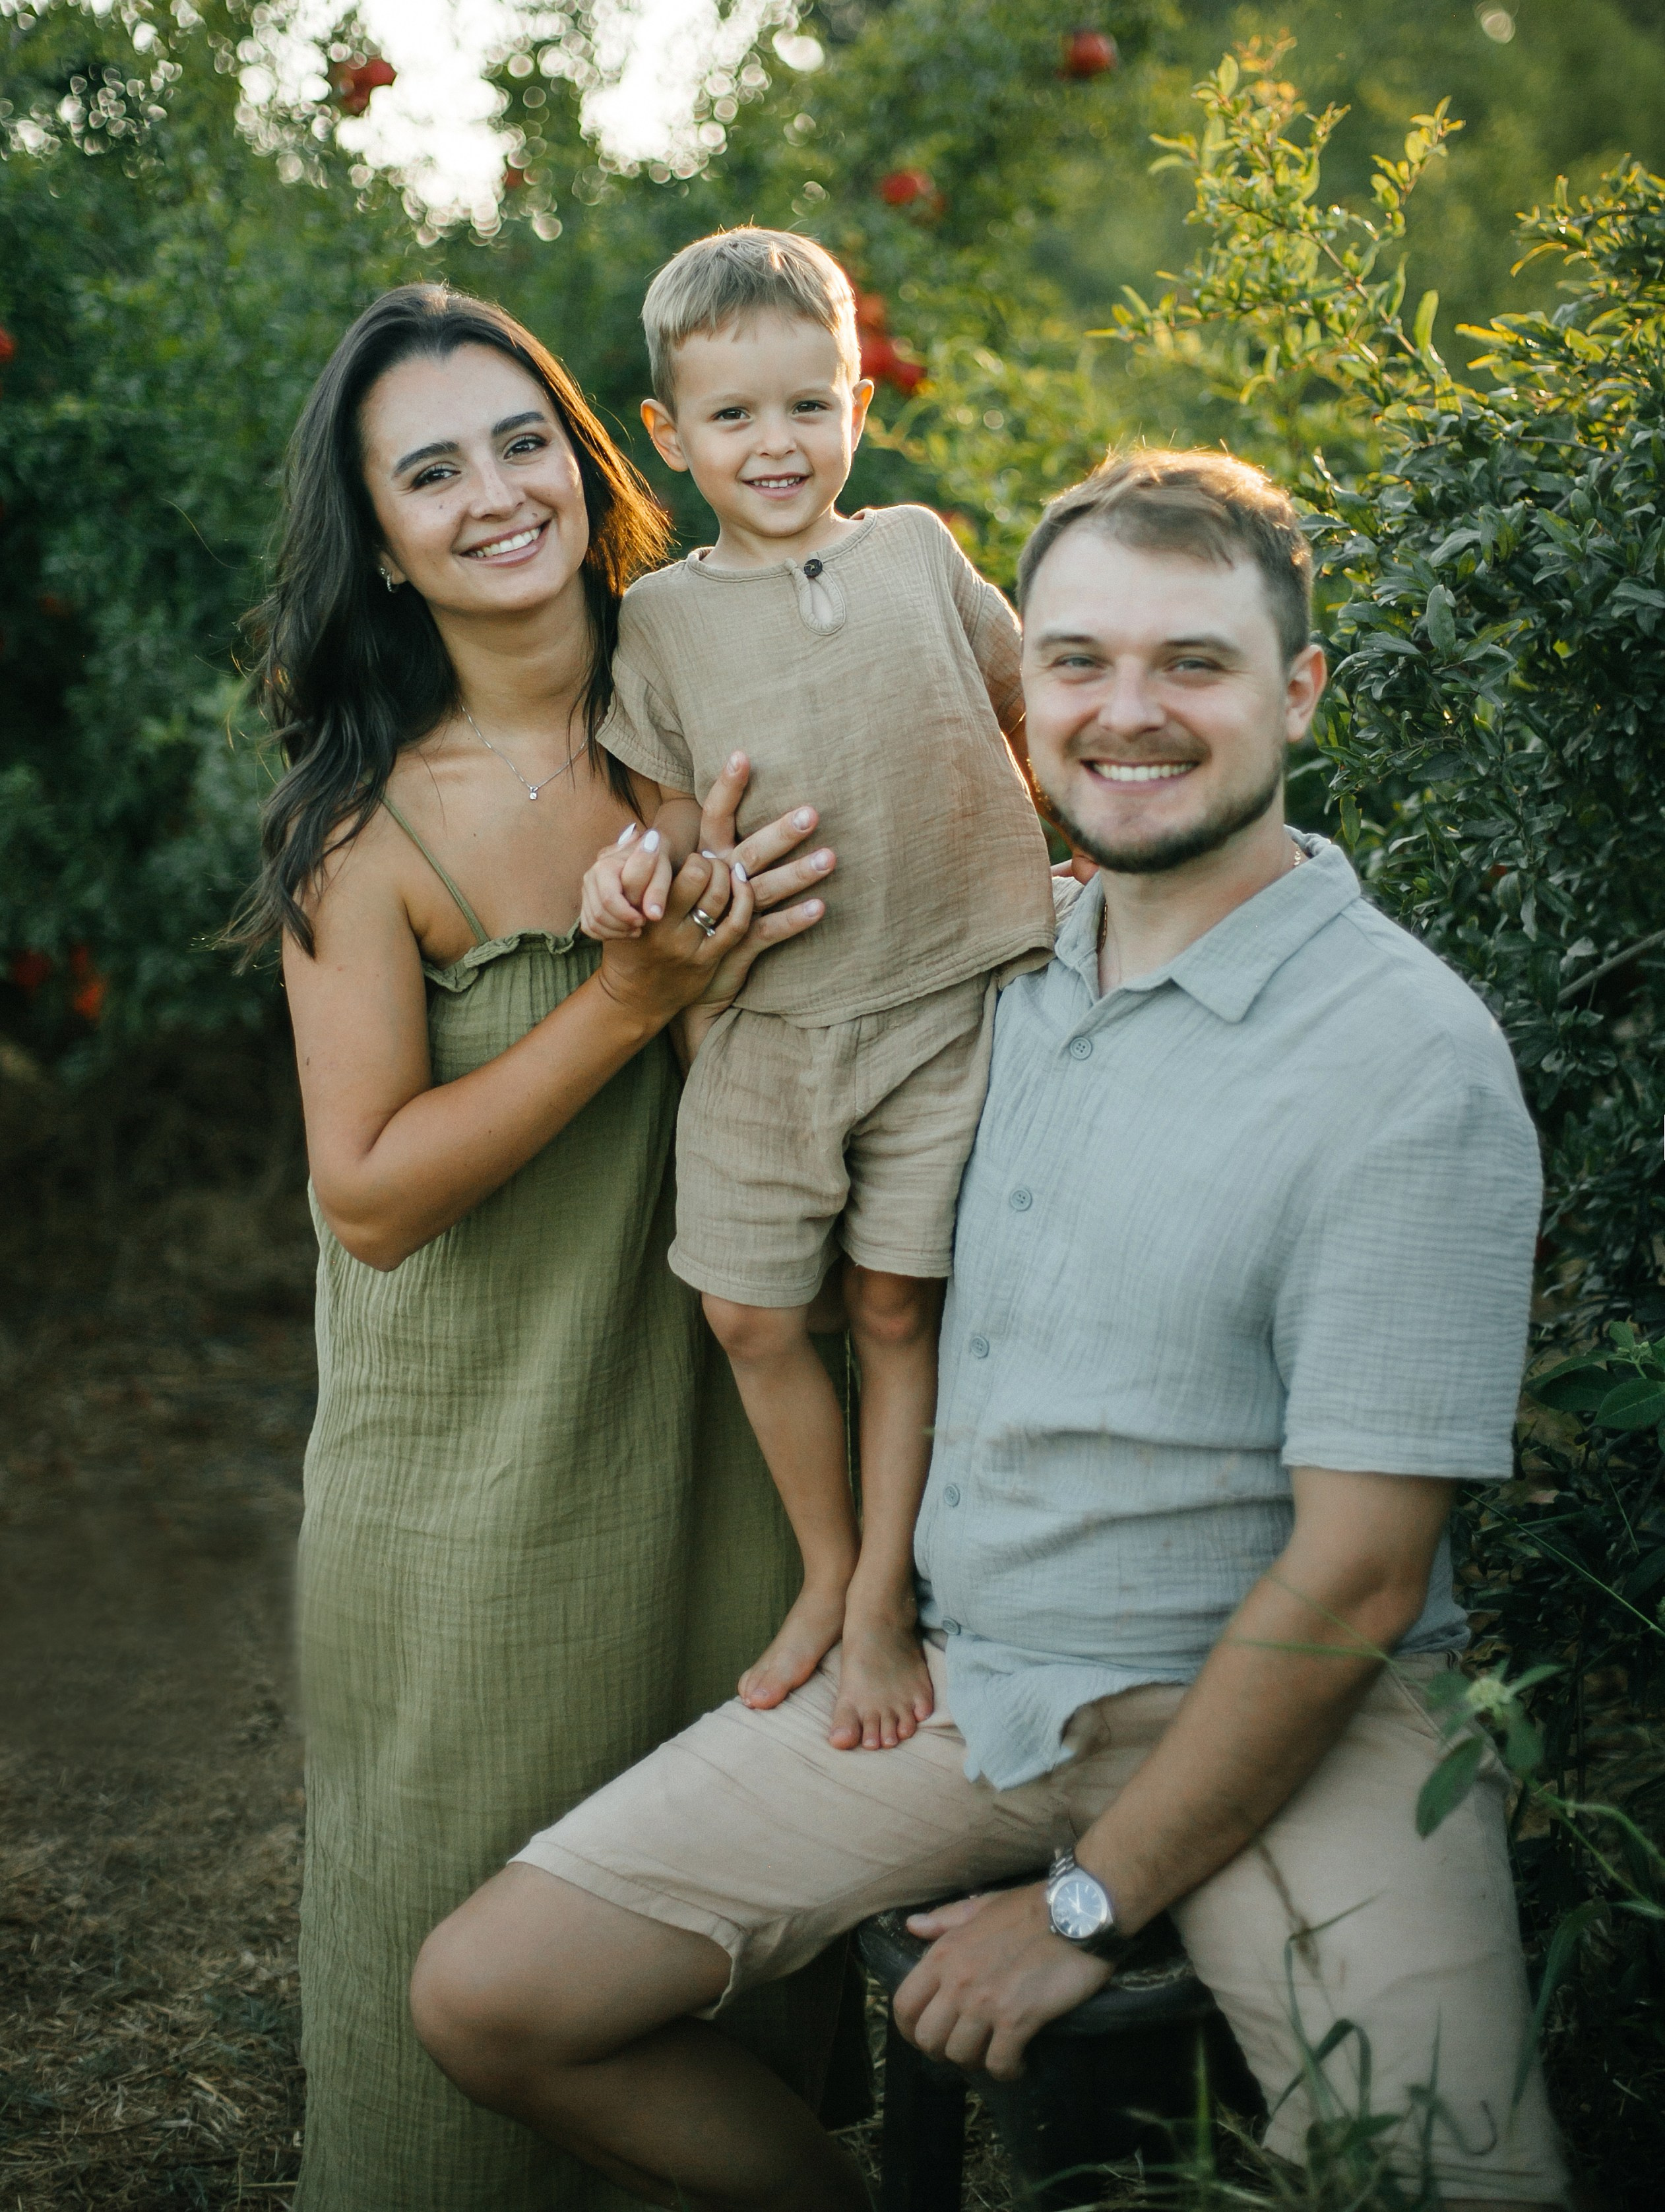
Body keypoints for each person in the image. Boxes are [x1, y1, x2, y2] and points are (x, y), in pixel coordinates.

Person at [410, 447, 1571, 2212]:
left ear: (1299, 691)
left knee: (1445, 2185)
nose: (1125, 713)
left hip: (1296, 1703)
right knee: (492, 1998)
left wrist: (1083, 1907)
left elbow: (1353, 1578)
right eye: (1079, 661)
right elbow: (722, 981)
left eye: (1194, 663)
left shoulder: (1400, 1062)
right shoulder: (992, 971)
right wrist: (650, 908)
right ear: (1012, 680)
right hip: (971, 1686)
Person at [237, 282, 846, 2212]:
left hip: (732, 1471)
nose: (492, 494)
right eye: (430, 472)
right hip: (472, 1513)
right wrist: (627, 994)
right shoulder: (366, 836)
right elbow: (370, 1196)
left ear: (591, 467)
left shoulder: (725, 717)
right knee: (451, 2061)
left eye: (521, 442)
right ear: (389, 551)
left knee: (701, 1989)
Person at [579, 227, 1055, 1752]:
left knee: (895, 1304)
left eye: (806, 405)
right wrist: (667, 878)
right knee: (746, 1311)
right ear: (667, 434)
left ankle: (879, 1603)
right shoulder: (656, 622)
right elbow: (657, 815)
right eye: (732, 417)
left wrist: (1085, 840)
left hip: (940, 999)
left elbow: (1019, 693)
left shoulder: (914, 549)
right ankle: (826, 1563)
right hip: (769, 1024)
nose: (774, 445)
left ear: (857, 397)